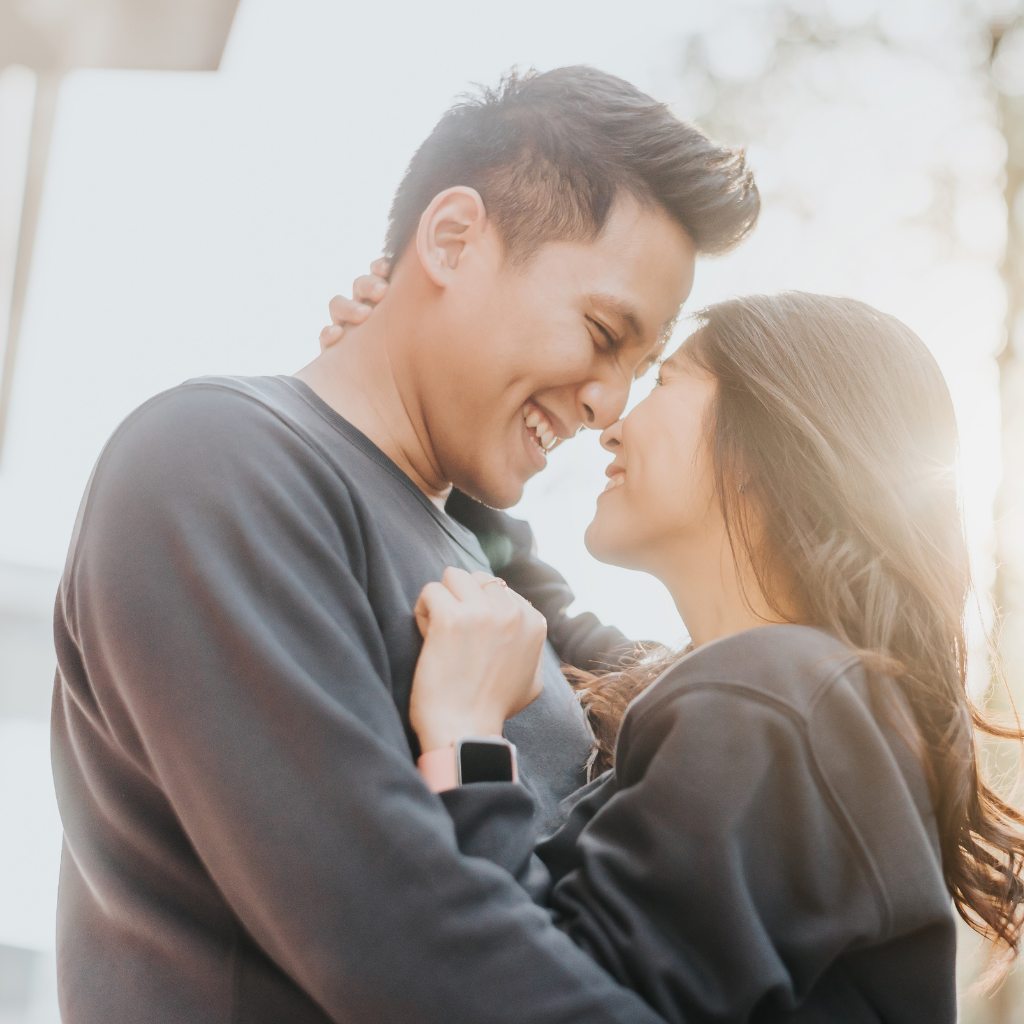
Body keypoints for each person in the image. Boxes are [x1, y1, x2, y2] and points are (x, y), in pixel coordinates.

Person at [50, 67, 758, 1023]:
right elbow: (407, 950)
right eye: (601, 333)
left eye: (638, 367)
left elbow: (660, 715)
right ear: (455, 238)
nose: (608, 404)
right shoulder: (213, 462)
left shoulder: (471, 552)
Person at [397, 292, 1024, 1022]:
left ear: (772, 438)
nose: (610, 429)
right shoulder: (796, 697)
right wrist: (433, 413)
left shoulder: (780, 699)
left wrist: (465, 741)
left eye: (665, 381)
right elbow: (560, 623)